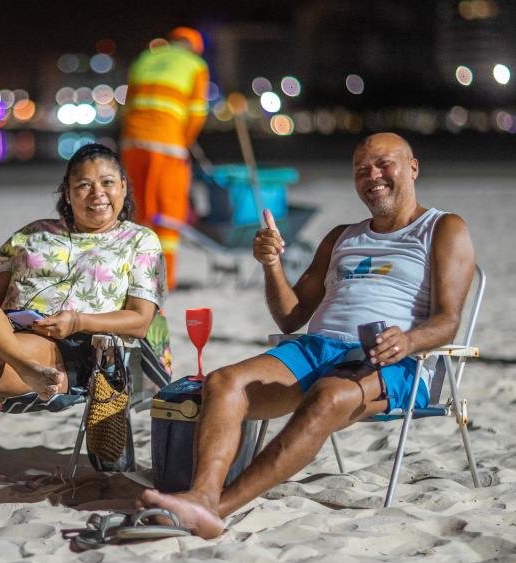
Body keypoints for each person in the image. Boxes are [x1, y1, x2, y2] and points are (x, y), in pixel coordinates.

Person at [139, 133, 476, 539]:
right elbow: (290, 316)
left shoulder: (442, 227)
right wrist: (270, 264)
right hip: (316, 349)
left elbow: (448, 319)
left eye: (384, 164)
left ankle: (216, 508)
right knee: (223, 382)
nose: (373, 176)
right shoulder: (341, 236)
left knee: (327, 396)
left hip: (392, 358)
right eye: (361, 169)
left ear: (413, 168)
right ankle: (202, 495)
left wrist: (409, 341)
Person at [0, 143, 167, 509]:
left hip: (67, 348)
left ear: (123, 186)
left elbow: (140, 320)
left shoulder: (140, 241)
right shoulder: (31, 234)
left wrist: (78, 320)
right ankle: (25, 368)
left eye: (107, 182)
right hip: (12, 337)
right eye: (83, 186)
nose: (97, 194)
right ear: (67, 193)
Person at [120, 27, 209, 291]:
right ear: (193, 47)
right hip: (167, 143)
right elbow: (196, 112)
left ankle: (135, 276)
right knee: (168, 210)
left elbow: (127, 106)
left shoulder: (144, 59)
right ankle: (163, 281)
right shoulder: (195, 64)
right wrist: (185, 142)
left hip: (132, 142)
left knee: (138, 209)